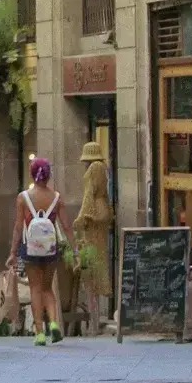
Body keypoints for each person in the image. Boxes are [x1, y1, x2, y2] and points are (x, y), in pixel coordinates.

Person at [6, 157, 74, 346]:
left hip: (30, 248)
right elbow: (66, 226)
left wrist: (13, 252)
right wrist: (74, 249)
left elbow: (18, 226)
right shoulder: (57, 198)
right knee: (48, 288)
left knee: (35, 289)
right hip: (50, 249)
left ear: (32, 174)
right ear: (49, 175)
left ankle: (40, 333)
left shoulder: (23, 198)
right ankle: (53, 323)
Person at [73, 141, 113, 336]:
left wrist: (80, 219)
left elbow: (89, 196)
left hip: (93, 219)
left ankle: (95, 322)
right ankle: (97, 319)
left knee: (90, 270)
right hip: (102, 214)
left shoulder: (94, 169)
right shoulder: (103, 169)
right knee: (98, 266)